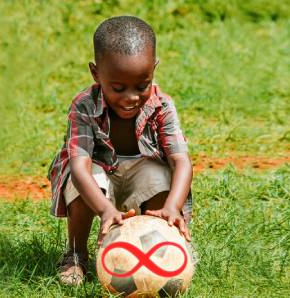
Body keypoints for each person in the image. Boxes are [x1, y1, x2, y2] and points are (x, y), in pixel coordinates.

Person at [47, 15, 193, 286]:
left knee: (160, 175)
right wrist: (104, 210)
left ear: (154, 69)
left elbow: (181, 161)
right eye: (118, 88)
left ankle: (162, 253)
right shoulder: (84, 105)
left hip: (142, 177)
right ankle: (76, 255)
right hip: (99, 180)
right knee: (86, 177)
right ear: (95, 73)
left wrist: (173, 207)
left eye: (142, 85)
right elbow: (80, 167)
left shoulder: (162, 105)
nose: (131, 97)